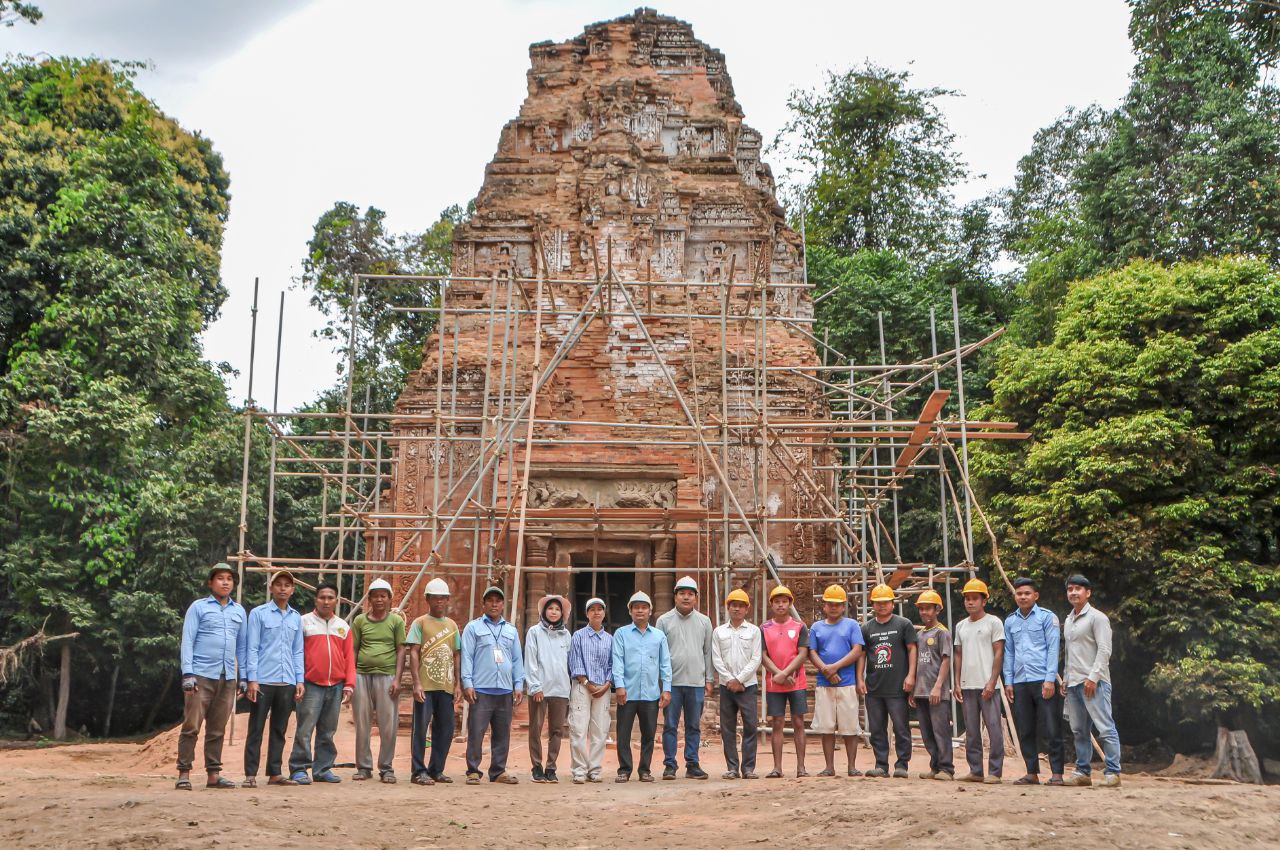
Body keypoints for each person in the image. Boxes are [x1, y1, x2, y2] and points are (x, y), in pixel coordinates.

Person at [176, 563, 248, 791]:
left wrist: (243, 676)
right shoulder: (198, 607)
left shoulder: (239, 611)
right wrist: (187, 673)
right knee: (192, 726)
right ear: (211, 582)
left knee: (218, 729)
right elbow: (187, 640)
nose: (226, 582)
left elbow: (243, 647)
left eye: (229, 579)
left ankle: (214, 775)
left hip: (228, 677)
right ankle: (184, 773)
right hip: (201, 675)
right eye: (220, 578)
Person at [242, 570, 305, 788]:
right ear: (271, 588)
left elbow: (298, 651)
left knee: (280, 729)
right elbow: (252, 647)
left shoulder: (296, 617)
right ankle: (250, 773)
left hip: (286, 680)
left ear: (293, 590)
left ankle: (275, 772)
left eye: (287, 585)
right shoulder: (258, 614)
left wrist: (299, 680)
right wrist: (252, 679)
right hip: (263, 680)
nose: (283, 588)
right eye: (278, 584)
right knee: (256, 727)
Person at [289, 581, 355, 785]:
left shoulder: (342, 626)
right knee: (305, 728)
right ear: (315, 599)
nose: (326, 601)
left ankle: (323, 768)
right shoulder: (303, 622)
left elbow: (349, 657)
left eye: (330, 598)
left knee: (328, 730)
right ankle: (299, 768)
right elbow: (296, 653)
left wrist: (349, 683)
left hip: (335, 684)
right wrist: (298, 680)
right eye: (322, 597)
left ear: (336, 601)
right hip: (311, 684)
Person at [1003, 577, 1064, 786]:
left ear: (1035, 596)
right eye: (1019, 593)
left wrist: (1049, 680)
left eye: (1027, 593)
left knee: (1051, 727)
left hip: (1042, 681)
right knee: (1025, 728)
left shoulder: (1047, 618)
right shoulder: (1010, 621)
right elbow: (1009, 653)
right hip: (1020, 682)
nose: (1022, 597)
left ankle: (1057, 773)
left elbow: (1053, 649)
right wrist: (1008, 681)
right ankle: (1032, 772)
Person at [461, 586, 525, 784]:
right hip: (481, 689)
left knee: (502, 732)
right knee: (476, 731)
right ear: (484, 604)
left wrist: (518, 684)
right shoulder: (473, 628)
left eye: (498, 600)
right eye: (490, 600)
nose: (494, 604)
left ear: (503, 604)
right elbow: (467, 657)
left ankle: (498, 771)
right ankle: (473, 770)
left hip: (505, 690)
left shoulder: (511, 630)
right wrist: (467, 683)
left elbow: (516, 660)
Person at [1063, 574, 1121, 788]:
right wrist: (1066, 677)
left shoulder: (1098, 618)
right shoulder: (1068, 620)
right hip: (1074, 683)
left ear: (1088, 593)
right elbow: (1069, 653)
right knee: (1079, 730)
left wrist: (1093, 677)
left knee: (1105, 727)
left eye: (1078, 589)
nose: (1073, 592)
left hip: (1095, 683)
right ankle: (1083, 772)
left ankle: (1113, 773)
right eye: (1070, 589)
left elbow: (1105, 650)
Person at [403, 577, 462, 786]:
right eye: (435, 598)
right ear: (427, 599)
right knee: (420, 728)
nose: (439, 601)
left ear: (447, 600)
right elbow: (414, 652)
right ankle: (418, 771)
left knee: (446, 729)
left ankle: (437, 769)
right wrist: (416, 683)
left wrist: (457, 684)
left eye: (443, 598)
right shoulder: (419, 623)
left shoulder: (452, 625)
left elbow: (456, 654)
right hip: (425, 687)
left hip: (445, 686)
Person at [655, 575, 713, 780]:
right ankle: (670, 764)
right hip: (672, 684)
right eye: (682, 594)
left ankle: (692, 763)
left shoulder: (704, 621)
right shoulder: (663, 621)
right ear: (675, 596)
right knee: (670, 725)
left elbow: (708, 652)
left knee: (693, 725)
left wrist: (709, 679)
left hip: (696, 682)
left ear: (696, 598)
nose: (686, 598)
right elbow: (660, 654)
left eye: (690, 594)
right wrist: (663, 683)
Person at [858, 583, 918, 778]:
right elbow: (862, 654)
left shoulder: (903, 624)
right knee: (877, 729)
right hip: (874, 687)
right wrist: (860, 678)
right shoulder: (867, 628)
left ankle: (902, 765)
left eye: (885, 602)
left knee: (901, 728)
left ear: (892, 603)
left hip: (898, 687)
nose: (882, 606)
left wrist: (911, 676)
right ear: (872, 605)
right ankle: (881, 765)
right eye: (878, 602)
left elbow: (912, 649)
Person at [612, 590, 672, 782]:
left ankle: (644, 770)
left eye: (644, 607)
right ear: (630, 611)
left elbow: (665, 664)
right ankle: (624, 769)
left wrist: (667, 688)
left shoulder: (659, 636)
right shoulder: (621, 634)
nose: (640, 611)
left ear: (650, 611)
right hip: (627, 693)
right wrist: (619, 685)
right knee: (623, 733)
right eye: (636, 607)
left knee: (649, 734)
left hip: (651, 693)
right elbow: (617, 660)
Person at [351, 577, 406, 783]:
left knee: (388, 723)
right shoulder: (360, 621)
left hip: (387, 675)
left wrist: (398, 679)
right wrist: (351, 677)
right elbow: (354, 649)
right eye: (375, 596)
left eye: (383, 596)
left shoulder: (396, 621)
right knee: (362, 722)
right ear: (369, 599)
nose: (379, 600)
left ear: (390, 599)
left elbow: (401, 650)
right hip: (361, 675)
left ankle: (386, 767)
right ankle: (364, 767)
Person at [808, 584, 865, 777]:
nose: (833, 607)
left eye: (838, 604)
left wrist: (835, 667)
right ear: (824, 606)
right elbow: (812, 652)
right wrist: (826, 669)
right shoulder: (817, 627)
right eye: (830, 604)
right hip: (825, 683)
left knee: (850, 727)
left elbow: (857, 650)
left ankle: (851, 766)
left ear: (844, 606)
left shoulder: (852, 625)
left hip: (847, 683)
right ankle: (829, 767)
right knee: (827, 727)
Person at [953, 578, 1005, 784]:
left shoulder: (993, 622)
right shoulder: (961, 626)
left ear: (984, 600)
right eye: (967, 598)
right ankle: (975, 770)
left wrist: (992, 682)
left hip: (988, 685)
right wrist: (957, 682)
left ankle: (995, 772)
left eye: (975, 598)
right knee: (972, 731)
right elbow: (958, 654)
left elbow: (999, 652)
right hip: (967, 686)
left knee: (994, 729)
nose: (970, 602)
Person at [760, 585, 809, 778]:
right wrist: (778, 674)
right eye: (777, 601)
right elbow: (763, 655)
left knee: (798, 722)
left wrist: (785, 673)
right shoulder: (764, 628)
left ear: (790, 604)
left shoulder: (799, 626)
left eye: (784, 601)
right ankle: (777, 767)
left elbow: (803, 653)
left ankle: (801, 767)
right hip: (774, 683)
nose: (781, 605)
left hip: (796, 682)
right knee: (777, 723)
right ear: (772, 604)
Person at [712, 588, 762, 780]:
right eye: (734, 605)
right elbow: (716, 659)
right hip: (726, 687)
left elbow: (756, 658)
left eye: (741, 606)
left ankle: (748, 768)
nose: (737, 609)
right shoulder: (719, 632)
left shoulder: (754, 631)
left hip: (747, 686)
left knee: (750, 726)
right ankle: (732, 767)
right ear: (728, 607)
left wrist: (739, 679)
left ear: (747, 609)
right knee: (727, 728)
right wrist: (729, 680)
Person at [525, 594, 572, 783]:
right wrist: (535, 686)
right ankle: (536, 767)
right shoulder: (534, 632)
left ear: (562, 613)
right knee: (535, 729)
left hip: (560, 689)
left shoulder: (566, 635)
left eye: (557, 609)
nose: (554, 612)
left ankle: (551, 767)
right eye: (550, 608)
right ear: (544, 611)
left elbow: (569, 663)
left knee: (557, 731)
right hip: (540, 689)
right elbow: (531, 659)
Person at [568, 597, 612, 785]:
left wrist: (607, 685)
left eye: (599, 609)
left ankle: (594, 769)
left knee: (600, 730)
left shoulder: (610, 639)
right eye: (592, 609)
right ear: (587, 614)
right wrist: (587, 683)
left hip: (603, 688)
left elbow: (613, 663)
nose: (596, 612)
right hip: (581, 687)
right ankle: (579, 770)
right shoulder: (578, 636)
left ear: (604, 613)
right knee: (578, 728)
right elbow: (575, 661)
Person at [911, 589, 954, 780]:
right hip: (920, 691)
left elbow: (946, 660)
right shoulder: (920, 634)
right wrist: (913, 690)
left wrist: (937, 686)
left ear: (937, 609)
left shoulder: (942, 633)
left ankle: (947, 768)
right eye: (921, 609)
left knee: (940, 731)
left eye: (928, 608)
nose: (924, 612)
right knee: (927, 732)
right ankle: (935, 766)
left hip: (937, 692)